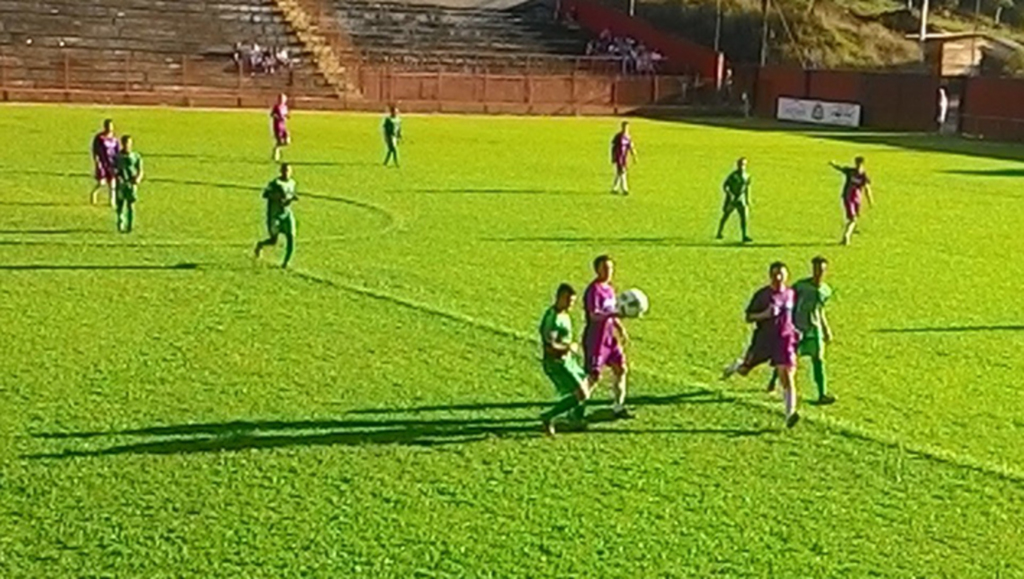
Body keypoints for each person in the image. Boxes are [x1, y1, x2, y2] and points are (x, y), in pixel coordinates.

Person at [722, 261, 801, 428]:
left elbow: (789, 317)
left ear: (787, 275)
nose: (778, 277)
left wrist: (794, 328)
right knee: (744, 371)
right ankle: (737, 365)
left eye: (781, 274)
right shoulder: (763, 295)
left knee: (787, 375)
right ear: (770, 276)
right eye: (775, 274)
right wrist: (765, 314)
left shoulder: (791, 294)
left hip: (784, 340)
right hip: (764, 340)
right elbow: (749, 317)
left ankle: (790, 414)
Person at [767, 256, 835, 405]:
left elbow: (820, 310)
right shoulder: (801, 287)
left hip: (814, 329)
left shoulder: (826, 290)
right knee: (787, 359)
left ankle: (822, 393)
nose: (819, 273)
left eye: (822, 270)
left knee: (818, 359)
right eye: (816, 269)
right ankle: (773, 381)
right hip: (797, 328)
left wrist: (825, 328)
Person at [539, 283, 594, 436]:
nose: (571, 305)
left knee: (585, 385)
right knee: (581, 393)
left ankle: (575, 419)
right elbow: (549, 347)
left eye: (573, 302)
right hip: (556, 363)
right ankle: (548, 417)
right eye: (569, 301)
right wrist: (568, 347)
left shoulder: (564, 314)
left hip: (568, 360)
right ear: (560, 298)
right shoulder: (552, 319)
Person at [583, 255, 633, 420]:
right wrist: (614, 313)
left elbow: (611, 311)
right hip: (595, 340)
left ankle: (618, 407)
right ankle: (575, 409)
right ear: (597, 269)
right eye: (605, 268)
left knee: (621, 369)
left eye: (611, 268)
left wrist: (619, 327)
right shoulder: (593, 290)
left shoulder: (609, 289)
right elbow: (594, 315)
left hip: (610, 339)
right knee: (593, 377)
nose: (609, 271)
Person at [254, 163, 298, 268]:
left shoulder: (292, 183)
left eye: (288, 171)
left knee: (291, 237)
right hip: (274, 215)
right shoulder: (275, 183)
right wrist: (276, 196)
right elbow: (265, 194)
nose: (286, 173)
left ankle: (285, 263)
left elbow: (289, 196)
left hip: (286, 213)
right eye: (284, 171)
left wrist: (292, 198)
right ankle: (260, 245)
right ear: (280, 171)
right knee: (274, 241)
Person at [830, 157, 873, 246]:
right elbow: (841, 168)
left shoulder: (861, 175)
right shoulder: (854, 172)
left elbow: (867, 188)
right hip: (849, 197)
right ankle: (847, 236)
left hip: (855, 199)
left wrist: (870, 200)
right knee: (853, 218)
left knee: (853, 218)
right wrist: (833, 164)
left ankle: (847, 235)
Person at [716, 157, 753, 243]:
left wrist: (747, 199)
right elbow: (725, 186)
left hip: (741, 199)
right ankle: (719, 232)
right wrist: (729, 194)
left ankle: (744, 235)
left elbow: (747, 188)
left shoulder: (747, 176)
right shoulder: (733, 176)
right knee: (726, 216)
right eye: (740, 164)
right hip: (732, 200)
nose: (742, 166)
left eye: (743, 164)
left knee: (744, 218)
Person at [113, 135, 143, 234]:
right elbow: (113, 169)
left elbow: (140, 170)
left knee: (131, 205)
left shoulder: (136, 156)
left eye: (129, 143)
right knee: (120, 205)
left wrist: (138, 178)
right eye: (126, 143)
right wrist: (117, 177)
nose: (127, 145)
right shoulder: (117, 157)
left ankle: (130, 225)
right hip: (121, 184)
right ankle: (120, 223)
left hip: (131, 184)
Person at [90, 119, 120, 207]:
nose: (110, 128)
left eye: (111, 126)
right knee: (101, 183)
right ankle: (94, 194)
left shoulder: (114, 139)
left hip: (112, 164)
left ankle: (112, 201)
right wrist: (97, 162)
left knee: (112, 184)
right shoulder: (99, 138)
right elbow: (95, 151)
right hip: (103, 164)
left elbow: (117, 151)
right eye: (108, 126)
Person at [610, 121, 637, 195]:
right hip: (619, 157)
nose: (626, 129)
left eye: (627, 127)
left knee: (619, 173)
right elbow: (613, 147)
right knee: (622, 172)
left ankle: (615, 188)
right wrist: (613, 157)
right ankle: (625, 189)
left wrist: (634, 155)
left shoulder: (628, 137)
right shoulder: (618, 136)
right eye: (624, 127)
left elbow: (631, 147)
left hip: (625, 157)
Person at [271, 94, 290, 162]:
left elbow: (286, 114)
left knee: (287, 141)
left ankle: (277, 149)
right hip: (277, 126)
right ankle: (276, 152)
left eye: (283, 99)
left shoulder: (285, 107)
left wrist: (286, 116)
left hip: (283, 126)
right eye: (281, 99)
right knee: (279, 141)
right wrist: (278, 117)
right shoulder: (276, 107)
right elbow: (272, 114)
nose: (282, 100)